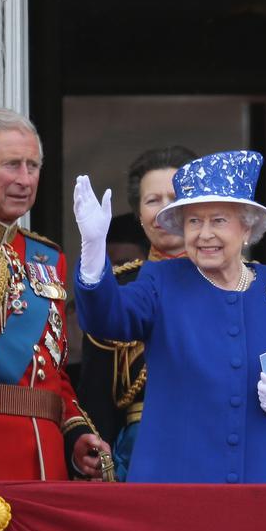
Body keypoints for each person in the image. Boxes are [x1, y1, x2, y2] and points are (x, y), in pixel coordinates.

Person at [72, 150, 266, 483]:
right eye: (194, 221)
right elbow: (107, 318)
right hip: (173, 489)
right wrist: (93, 250)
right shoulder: (162, 281)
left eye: (218, 220)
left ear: (246, 227)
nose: (204, 234)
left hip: (263, 491)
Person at [0, 108, 108, 480]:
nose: (25, 179)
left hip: (46, 458)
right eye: (12, 165)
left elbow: (53, 370)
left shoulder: (48, 256)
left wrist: (75, 433)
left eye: (33, 166)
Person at [75, 145, 195, 480]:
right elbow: (96, 387)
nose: (164, 210)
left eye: (175, 197)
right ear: (139, 214)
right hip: (138, 451)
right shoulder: (117, 287)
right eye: (152, 200)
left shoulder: (236, 279)